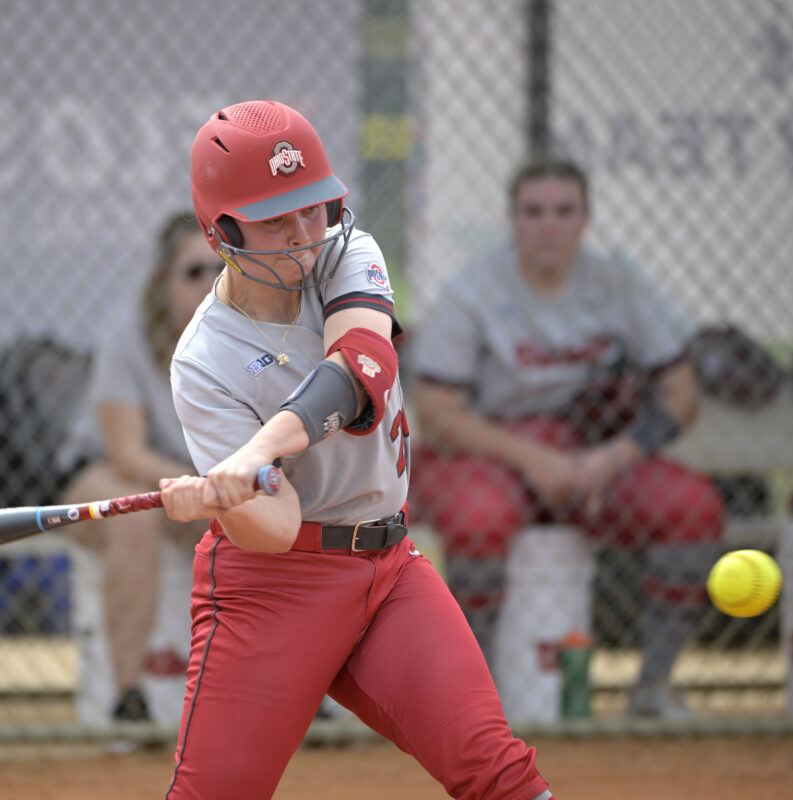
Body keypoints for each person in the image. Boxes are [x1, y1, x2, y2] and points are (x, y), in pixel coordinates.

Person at [156, 100, 553, 799]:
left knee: (495, 769)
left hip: (390, 569)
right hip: (274, 593)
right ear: (222, 231)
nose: (305, 235)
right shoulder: (204, 361)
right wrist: (229, 497)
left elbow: (363, 367)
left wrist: (261, 448)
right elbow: (276, 530)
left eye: (313, 208)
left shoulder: (347, 250)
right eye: (276, 219)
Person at [409, 159, 724, 718]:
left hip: (591, 454)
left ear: (585, 220)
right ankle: (472, 703)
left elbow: (683, 394)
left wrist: (612, 459)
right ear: (512, 220)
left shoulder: (616, 283)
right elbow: (437, 414)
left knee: (692, 507)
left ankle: (652, 688)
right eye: (533, 212)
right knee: (479, 516)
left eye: (563, 211)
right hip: (490, 452)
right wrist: (534, 459)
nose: (548, 226)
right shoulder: (474, 291)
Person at [57, 211, 221, 723]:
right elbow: (125, 451)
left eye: (222, 270)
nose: (209, 284)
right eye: (193, 271)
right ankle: (129, 696)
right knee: (135, 515)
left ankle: (290, 694)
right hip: (107, 470)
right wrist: (204, 488)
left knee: (271, 526)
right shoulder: (127, 333)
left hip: (198, 482)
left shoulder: (251, 337)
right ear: (163, 280)